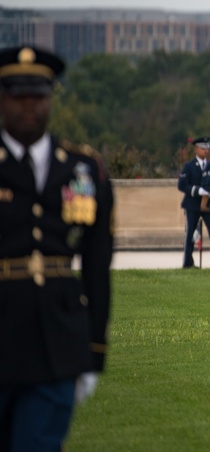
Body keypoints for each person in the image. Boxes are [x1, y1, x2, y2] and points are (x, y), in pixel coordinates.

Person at [0, 46, 114, 450]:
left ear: (51, 98)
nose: (29, 107)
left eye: (38, 96)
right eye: (18, 96)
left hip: (57, 342)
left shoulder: (83, 168)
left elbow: (97, 266)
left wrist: (94, 351)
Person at [178, 135, 210, 268]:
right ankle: (187, 261)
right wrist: (196, 190)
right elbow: (182, 185)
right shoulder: (189, 166)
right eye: (202, 149)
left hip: (207, 204)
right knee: (190, 234)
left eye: (207, 149)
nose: (205, 151)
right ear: (196, 149)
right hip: (192, 204)